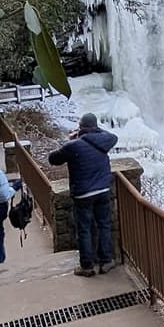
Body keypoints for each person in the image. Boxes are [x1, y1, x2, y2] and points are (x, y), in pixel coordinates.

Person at [49, 113, 119, 277]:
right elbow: (112, 136)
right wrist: (88, 131)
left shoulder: (73, 146)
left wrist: (75, 137)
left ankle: (87, 266)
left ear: (80, 127)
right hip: (103, 190)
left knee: (85, 229)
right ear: (95, 127)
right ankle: (106, 261)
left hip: (83, 194)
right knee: (104, 225)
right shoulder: (105, 140)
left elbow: (53, 159)